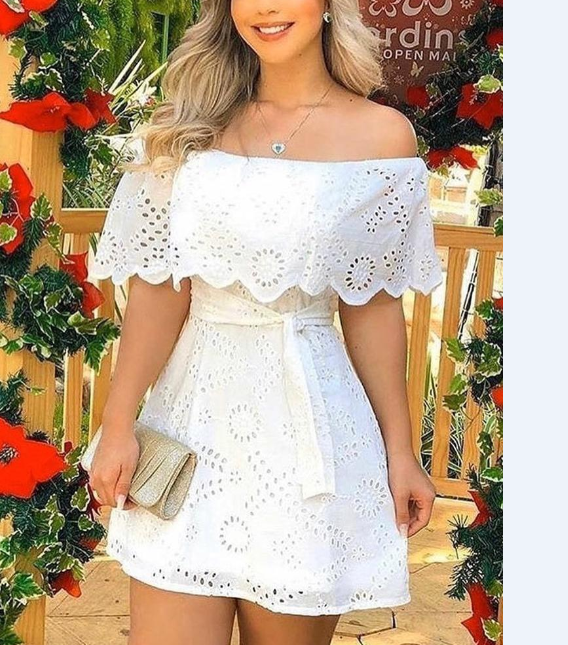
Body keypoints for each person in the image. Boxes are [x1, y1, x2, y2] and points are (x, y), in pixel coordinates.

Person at [87, 1, 444, 643]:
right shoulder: (186, 126)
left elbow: (372, 306)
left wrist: (401, 452)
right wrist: (117, 425)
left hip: (313, 441)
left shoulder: (382, 138)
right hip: (191, 424)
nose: (267, 7)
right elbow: (158, 291)